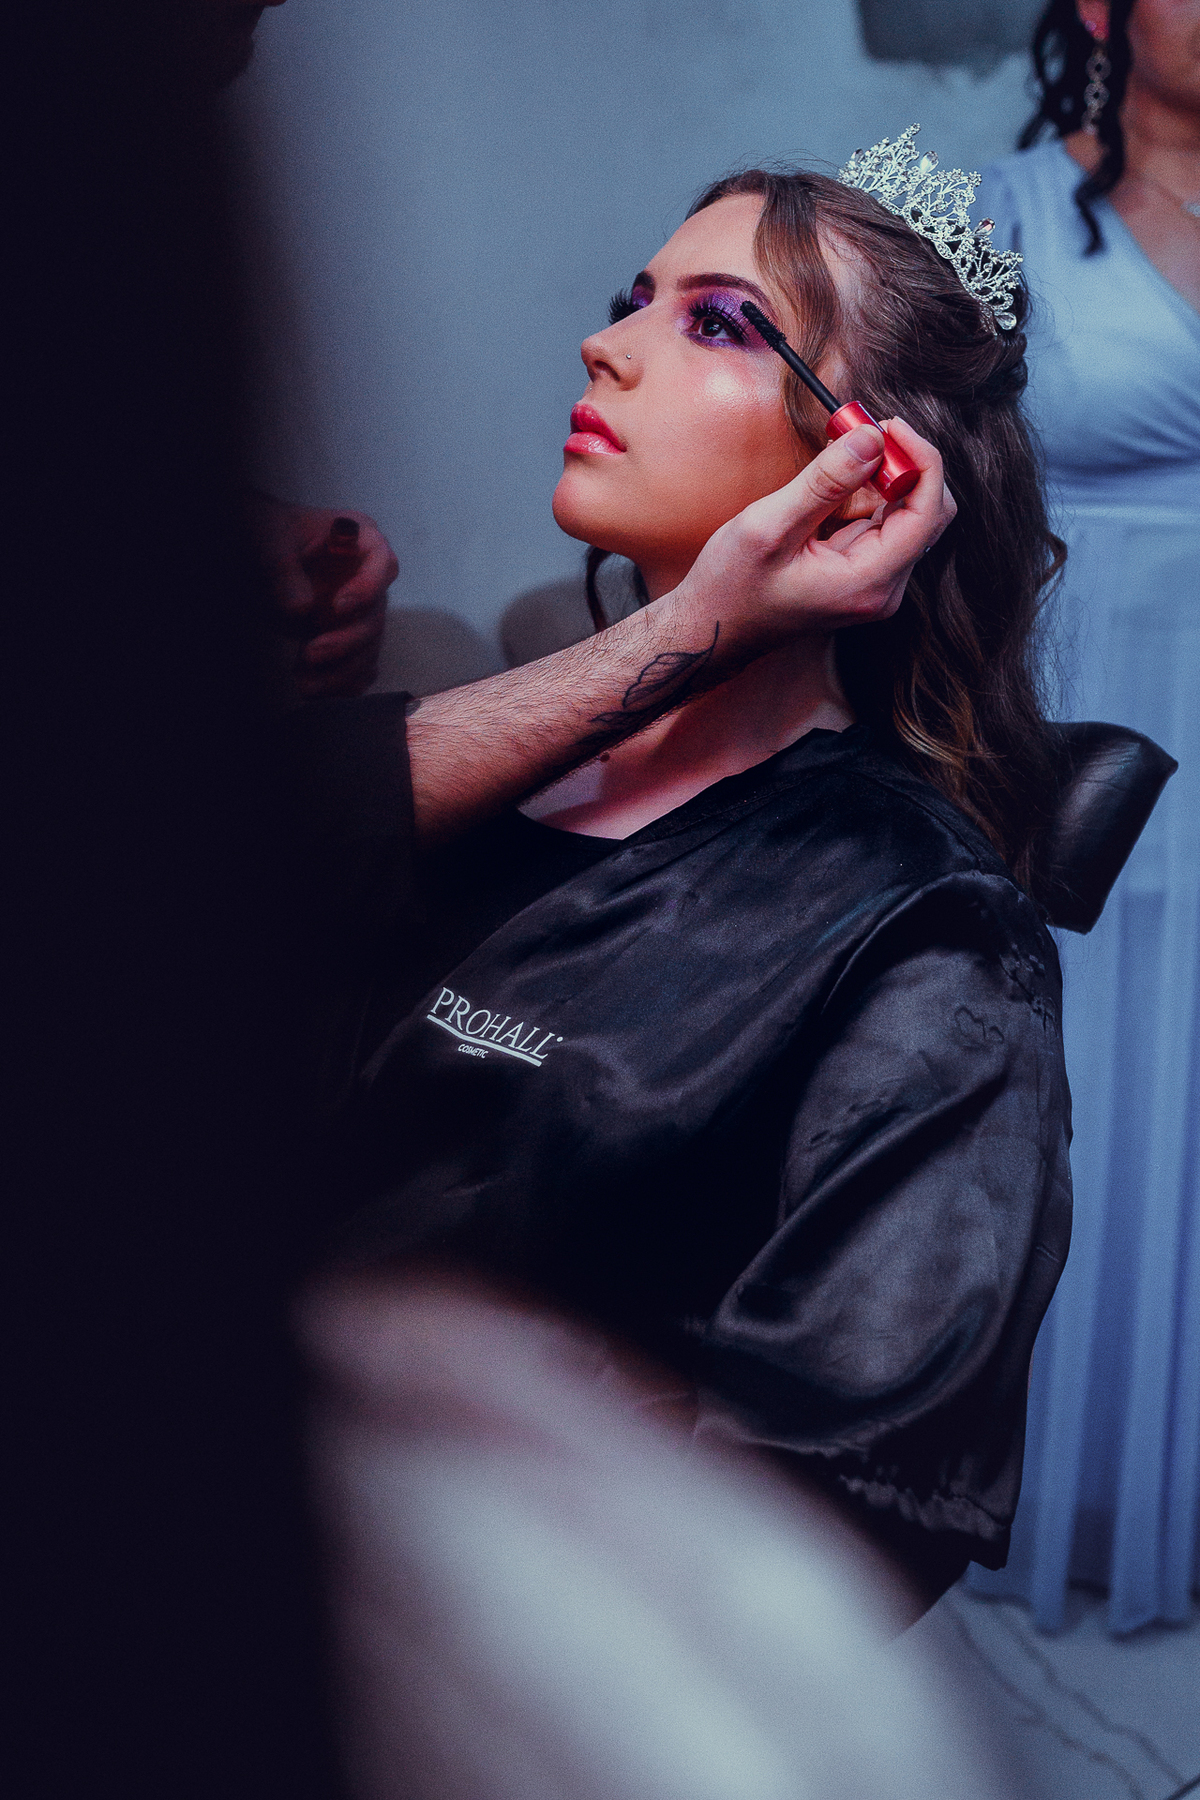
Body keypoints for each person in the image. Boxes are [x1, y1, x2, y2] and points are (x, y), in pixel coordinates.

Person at [323, 149, 1073, 1615]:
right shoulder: (477, 764)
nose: (603, 344)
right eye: (634, 300)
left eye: (720, 321)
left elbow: (853, 1496)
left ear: (872, 473)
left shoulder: (924, 927)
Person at [975, 0, 1200, 1634]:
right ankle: (1087, 1479)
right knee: (1107, 1079)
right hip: (1096, 711)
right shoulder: (993, 222)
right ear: (1104, 11)